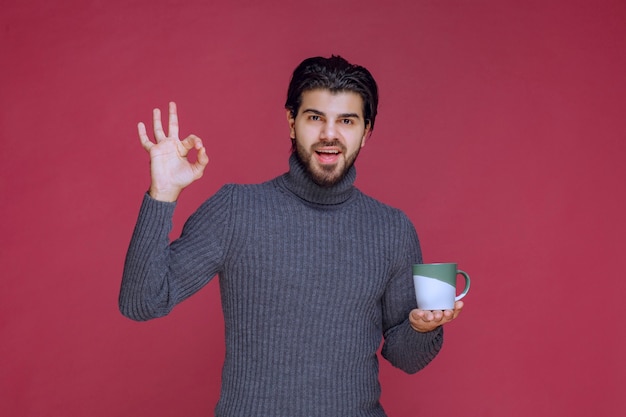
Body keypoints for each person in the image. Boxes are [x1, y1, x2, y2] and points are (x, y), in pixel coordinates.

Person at [119, 55, 463, 417]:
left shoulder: (392, 229)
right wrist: (162, 193)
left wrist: (420, 327)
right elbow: (142, 302)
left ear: (367, 132)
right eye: (315, 118)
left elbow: (407, 359)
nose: (329, 134)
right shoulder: (236, 210)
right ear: (291, 123)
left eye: (346, 121)